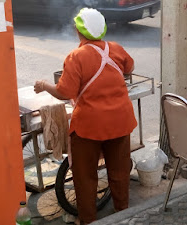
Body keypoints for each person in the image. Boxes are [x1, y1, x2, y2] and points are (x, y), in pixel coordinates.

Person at [34, 8, 137, 225]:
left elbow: (65, 92)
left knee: (85, 177)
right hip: (120, 121)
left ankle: (88, 220)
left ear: (79, 31)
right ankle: (123, 213)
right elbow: (129, 66)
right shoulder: (115, 48)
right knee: (119, 172)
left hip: (89, 127)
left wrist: (44, 85)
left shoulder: (76, 57)